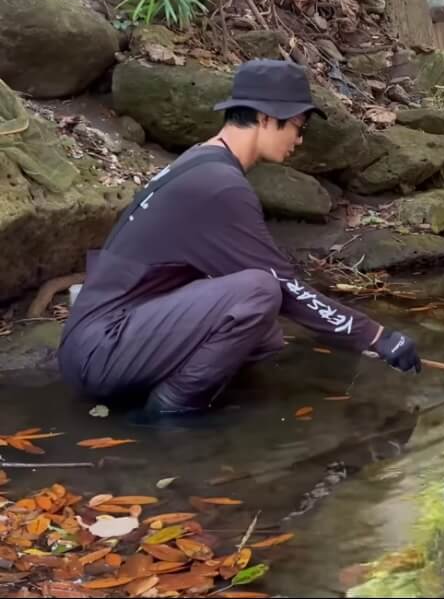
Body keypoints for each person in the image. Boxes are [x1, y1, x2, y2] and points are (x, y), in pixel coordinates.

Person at [58, 59, 421, 416]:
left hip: (103, 338)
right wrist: (375, 337)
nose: (300, 138)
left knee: (264, 334)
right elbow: (283, 286)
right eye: (299, 124)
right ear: (265, 117)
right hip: (102, 351)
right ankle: (168, 416)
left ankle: (173, 393)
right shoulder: (218, 186)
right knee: (259, 293)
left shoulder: (201, 161)